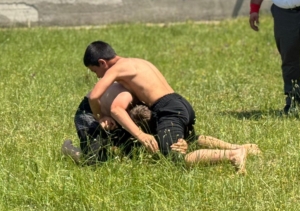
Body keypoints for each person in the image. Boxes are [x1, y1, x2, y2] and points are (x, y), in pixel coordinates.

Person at [83, 41, 249, 173]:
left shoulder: (117, 69)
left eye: (94, 71)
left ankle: (232, 155)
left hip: (167, 109)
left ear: (102, 62)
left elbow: (95, 96)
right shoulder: (137, 62)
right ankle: (238, 147)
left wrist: (101, 117)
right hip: (180, 103)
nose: (97, 76)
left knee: (174, 157)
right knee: (190, 140)